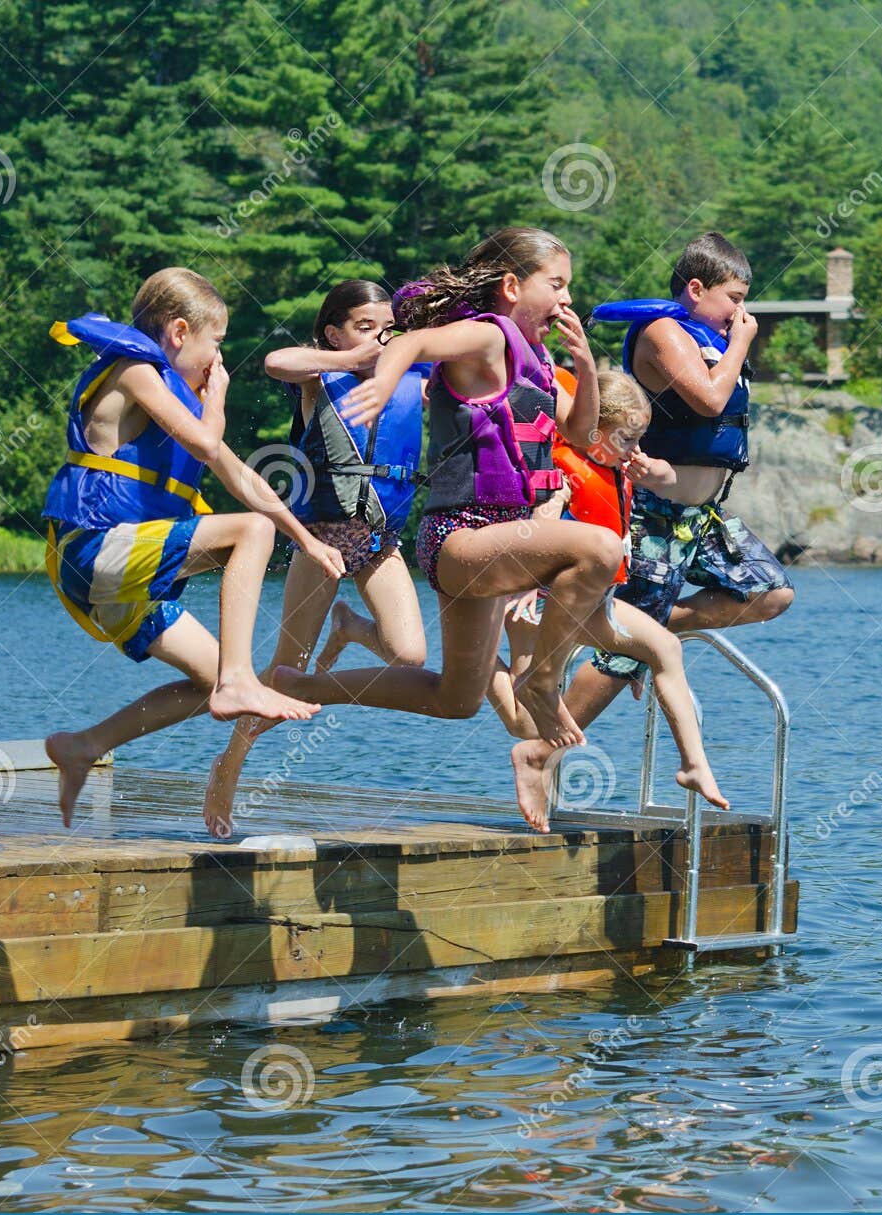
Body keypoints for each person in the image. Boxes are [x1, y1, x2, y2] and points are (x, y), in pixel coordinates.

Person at [270, 227, 620, 749]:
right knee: (602, 548)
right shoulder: (488, 336)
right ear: (511, 286)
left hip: (496, 545)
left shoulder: (541, 363)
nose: (567, 298)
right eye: (557, 284)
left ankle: (300, 684)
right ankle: (542, 682)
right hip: (461, 536)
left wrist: (587, 368)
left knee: (457, 700)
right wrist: (382, 381)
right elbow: (412, 341)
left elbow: (583, 433)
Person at [40, 268, 344, 825]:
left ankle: (83, 746)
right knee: (250, 531)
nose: (217, 363)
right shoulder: (135, 371)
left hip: (116, 573)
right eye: (217, 345)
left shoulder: (172, 395)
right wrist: (219, 398)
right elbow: (207, 442)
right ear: (180, 332)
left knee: (207, 685)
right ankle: (239, 680)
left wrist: (308, 540)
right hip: (95, 548)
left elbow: (244, 479)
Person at [202, 280, 429, 836]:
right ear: (334, 332)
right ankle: (228, 768)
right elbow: (278, 360)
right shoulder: (319, 374)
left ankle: (351, 629)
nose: (380, 339)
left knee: (410, 655)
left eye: (388, 329)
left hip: (378, 540)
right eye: (365, 326)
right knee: (286, 675)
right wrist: (352, 358)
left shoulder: (413, 378)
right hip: (321, 540)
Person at [557, 232, 793, 734]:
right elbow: (708, 400)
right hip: (654, 514)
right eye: (733, 299)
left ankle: (647, 631)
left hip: (701, 517)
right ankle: (541, 750)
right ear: (695, 288)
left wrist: (734, 343)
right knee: (621, 657)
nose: (739, 313)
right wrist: (744, 343)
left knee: (770, 594)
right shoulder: (663, 332)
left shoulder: (713, 340)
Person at [498, 368, 730, 830]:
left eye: (639, 438)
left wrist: (627, 647)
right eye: (626, 438)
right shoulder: (565, 471)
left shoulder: (616, 470)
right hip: (545, 601)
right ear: (591, 430)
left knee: (664, 647)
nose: (634, 449)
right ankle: (477, 658)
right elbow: (542, 519)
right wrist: (524, 584)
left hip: (595, 604)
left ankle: (693, 765)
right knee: (526, 723)